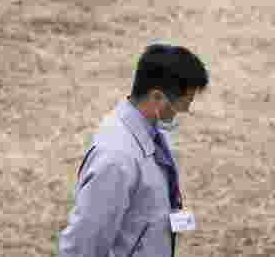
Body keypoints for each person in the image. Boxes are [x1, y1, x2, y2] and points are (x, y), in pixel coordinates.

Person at [59, 44, 210, 257]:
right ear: (157, 97)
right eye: (182, 104)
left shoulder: (148, 130)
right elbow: (83, 245)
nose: (185, 111)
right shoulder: (116, 159)